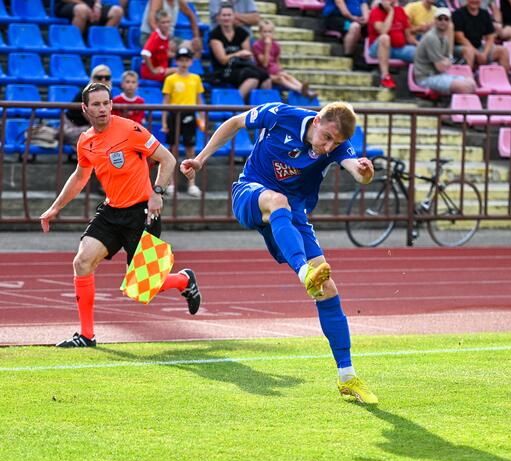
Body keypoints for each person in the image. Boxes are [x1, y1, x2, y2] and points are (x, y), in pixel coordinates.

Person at [180, 101, 378, 404]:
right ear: (315, 122)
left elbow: (356, 172)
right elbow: (235, 122)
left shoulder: (337, 146)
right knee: (277, 202)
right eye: (326, 138)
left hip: (293, 213)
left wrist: (365, 173)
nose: (328, 147)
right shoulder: (281, 115)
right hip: (251, 192)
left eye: (335, 143)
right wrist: (201, 159)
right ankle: (303, 272)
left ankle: (347, 376)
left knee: (327, 289)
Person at [39, 82, 201, 348]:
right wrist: (55, 208)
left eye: (106, 103)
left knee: (141, 289)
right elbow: (80, 176)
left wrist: (157, 191)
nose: (102, 109)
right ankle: (86, 336)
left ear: (111, 104)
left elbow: (168, 159)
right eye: (96, 104)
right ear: (85, 108)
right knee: (82, 262)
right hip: (112, 211)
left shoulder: (130, 129)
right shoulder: (86, 141)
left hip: (143, 213)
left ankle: (184, 279)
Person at [162, 47, 206, 197]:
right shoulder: (170, 79)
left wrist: (201, 118)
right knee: (172, 150)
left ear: (191, 62)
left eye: (187, 60)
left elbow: (199, 101)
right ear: (176, 61)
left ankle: (191, 184)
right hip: (174, 116)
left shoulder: (195, 78)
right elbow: (166, 103)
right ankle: (171, 183)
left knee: (190, 151)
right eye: (181, 60)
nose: (184, 63)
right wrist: (164, 123)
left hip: (190, 116)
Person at [209, 2, 272, 101]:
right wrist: (238, 54)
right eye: (224, 15)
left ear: (234, 17)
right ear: (219, 18)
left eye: (229, 15)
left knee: (265, 76)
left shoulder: (242, 33)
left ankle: (263, 108)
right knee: (252, 78)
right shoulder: (215, 35)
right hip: (225, 69)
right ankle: (234, 106)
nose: (226, 18)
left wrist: (246, 55)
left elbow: (248, 53)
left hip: (242, 66)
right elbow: (222, 60)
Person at [413, 8, 476, 95]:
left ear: (449, 22)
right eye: (440, 18)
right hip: (426, 78)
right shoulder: (431, 37)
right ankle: (454, 107)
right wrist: (447, 62)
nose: (443, 21)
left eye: (446, 19)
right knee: (464, 87)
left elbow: (448, 60)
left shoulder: (444, 38)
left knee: (472, 83)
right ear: (435, 21)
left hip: (439, 75)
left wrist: (446, 62)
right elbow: (441, 67)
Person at [252, 20, 317, 98]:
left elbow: (276, 62)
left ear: (273, 33)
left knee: (287, 76)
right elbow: (265, 64)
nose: (267, 34)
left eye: (270, 32)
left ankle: (305, 89)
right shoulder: (257, 45)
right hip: (265, 73)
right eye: (265, 32)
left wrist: (280, 70)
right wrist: (267, 47)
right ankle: (299, 89)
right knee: (281, 78)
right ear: (260, 33)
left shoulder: (276, 45)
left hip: (275, 70)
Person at [368, 0, 418, 89]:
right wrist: (391, 12)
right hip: (378, 48)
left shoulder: (400, 11)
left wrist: (421, 46)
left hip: (398, 48)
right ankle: (385, 76)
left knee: (421, 52)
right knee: (385, 38)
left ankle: (426, 83)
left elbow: (408, 36)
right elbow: (383, 31)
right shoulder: (375, 11)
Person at [452, 0, 511, 73]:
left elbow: (490, 36)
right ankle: (469, 80)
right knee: (469, 51)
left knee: (503, 51)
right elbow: (460, 38)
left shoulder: (484, 14)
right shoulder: (457, 14)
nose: (474, 1)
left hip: (479, 47)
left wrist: (485, 53)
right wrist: (477, 53)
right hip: (460, 48)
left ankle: (504, 79)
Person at [64, 65, 114, 147]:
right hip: (74, 126)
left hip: (89, 126)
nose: (103, 80)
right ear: (93, 78)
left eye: (107, 77)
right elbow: (92, 119)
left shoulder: (108, 93)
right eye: (99, 77)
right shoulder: (86, 93)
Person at [141, 10, 179, 83]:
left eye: (168, 22)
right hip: (151, 72)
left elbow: (162, 53)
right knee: (177, 71)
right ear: (158, 23)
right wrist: (153, 70)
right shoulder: (156, 37)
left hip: (162, 68)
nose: (166, 25)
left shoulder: (166, 36)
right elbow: (145, 53)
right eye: (163, 22)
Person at [54, 0, 124, 34]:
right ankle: (75, 43)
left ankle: (103, 42)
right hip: (67, 5)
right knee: (82, 9)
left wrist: (97, 5)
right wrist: (83, 4)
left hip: (91, 6)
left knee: (117, 11)